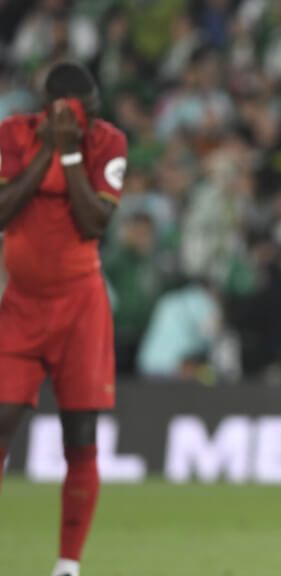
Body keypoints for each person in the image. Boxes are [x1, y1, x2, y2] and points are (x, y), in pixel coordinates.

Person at [0, 62, 128, 576]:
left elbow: (94, 221)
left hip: (81, 308)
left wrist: (71, 151)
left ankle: (68, 565)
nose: (90, 118)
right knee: (3, 419)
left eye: (93, 109)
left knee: (80, 433)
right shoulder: (13, 135)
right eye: (81, 111)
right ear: (50, 107)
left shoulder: (107, 142)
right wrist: (49, 150)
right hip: (22, 305)